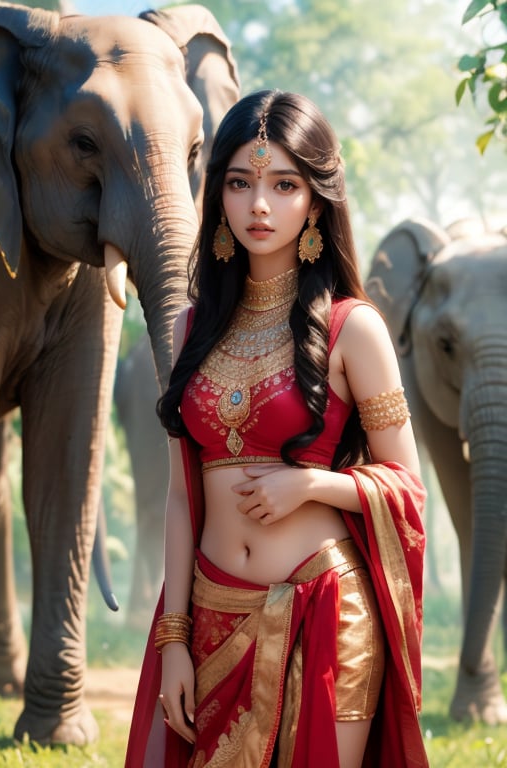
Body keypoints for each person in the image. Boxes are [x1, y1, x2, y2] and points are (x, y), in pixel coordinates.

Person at [125, 89, 428, 768]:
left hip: (327, 617)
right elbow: (181, 496)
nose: (259, 205)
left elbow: (408, 489)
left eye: (284, 184)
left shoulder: (354, 328)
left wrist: (314, 486)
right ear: (220, 199)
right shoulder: (191, 328)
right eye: (240, 183)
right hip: (209, 615)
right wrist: (173, 638)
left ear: (316, 200)